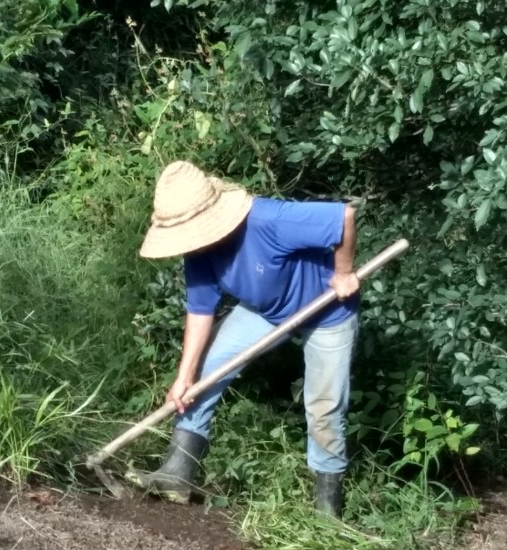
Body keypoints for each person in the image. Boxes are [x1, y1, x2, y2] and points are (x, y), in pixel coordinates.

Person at [127, 160, 360, 518]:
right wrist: (184, 377)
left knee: (323, 407)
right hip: (265, 310)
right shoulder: (199, 250)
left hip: (326, 309)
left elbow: (342, 216)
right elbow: (200, 313)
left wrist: (343, 273)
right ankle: (177, 473)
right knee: (204, 375)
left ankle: (327, 514)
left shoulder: (269, 220)